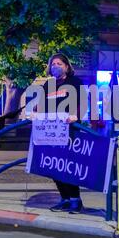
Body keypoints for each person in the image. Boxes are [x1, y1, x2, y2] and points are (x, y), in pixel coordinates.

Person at [39, 53, 86, 214]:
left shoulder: (75, 82)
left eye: (59, 63)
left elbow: (83, 102)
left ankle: (75, 200)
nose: (55, 66)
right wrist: (37, 112)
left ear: (66, 66)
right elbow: (42, 104)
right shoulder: (48, 85)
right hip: (51, 132)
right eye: (53, 64)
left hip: (70, 131)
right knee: (54, 166)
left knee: (68, 166)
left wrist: (76, 116)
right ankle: (64, 199)